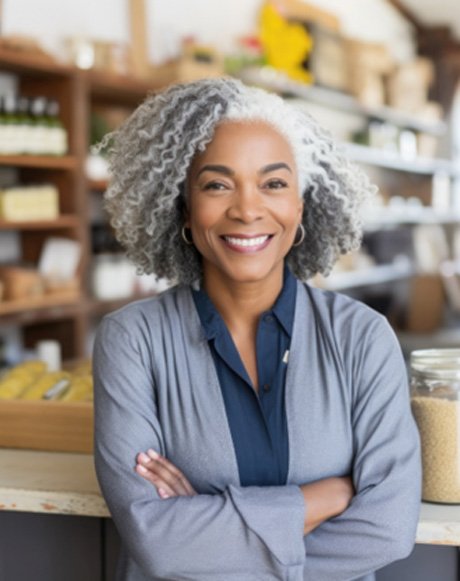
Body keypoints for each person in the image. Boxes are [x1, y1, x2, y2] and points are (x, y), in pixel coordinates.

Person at [93, 77, 421, 581]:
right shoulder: (132, 341)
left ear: (300, 207)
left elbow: (388, 528)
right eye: (217, 184)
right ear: (183, 207)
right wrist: (325, 497)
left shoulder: (362, 338)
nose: (247, 209)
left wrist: (206, 529)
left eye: (273, 183)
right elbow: (157, 543)